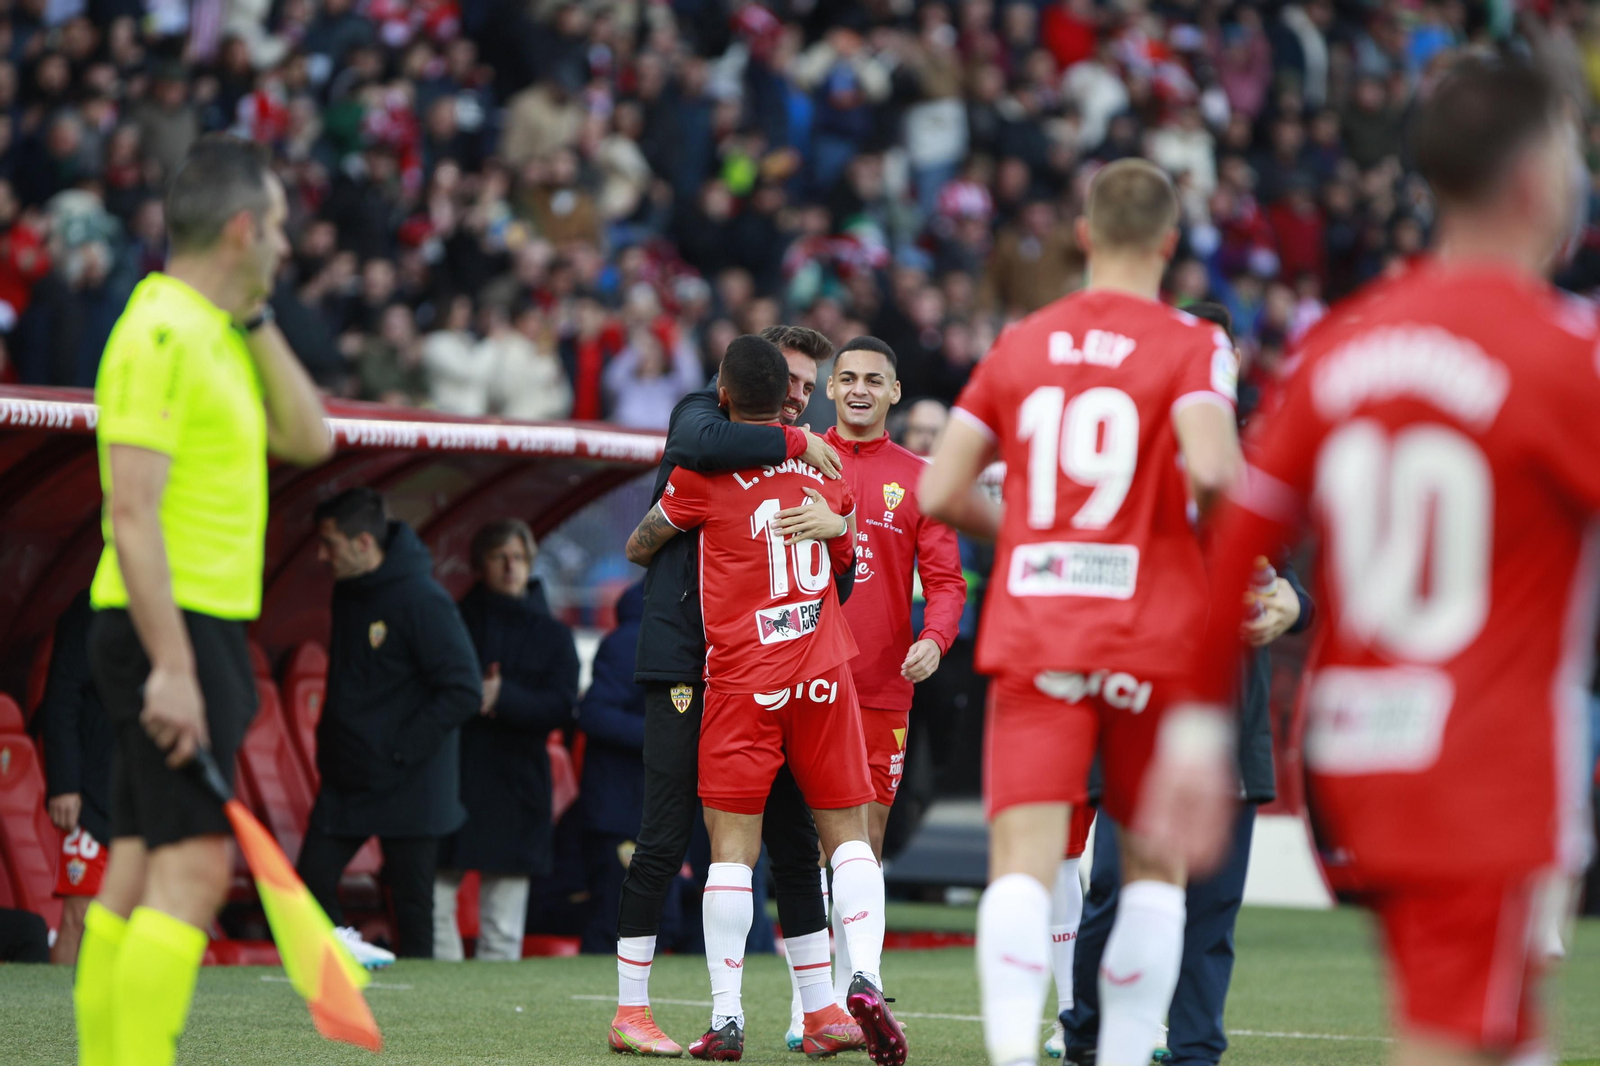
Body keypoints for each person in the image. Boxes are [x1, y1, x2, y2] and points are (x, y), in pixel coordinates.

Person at [1144, 59, 1598, 1066]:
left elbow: (1240, 539)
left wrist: (1186, 726)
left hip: (1355, 749)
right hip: (1481, 755)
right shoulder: (1562, 353)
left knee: (1494, 1027)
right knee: (1450, 1037)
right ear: (1534, 181)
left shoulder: (1339, 344)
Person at [918, 158, 1244, 1066]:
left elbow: (943, 487)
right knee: (1153, 869)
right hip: (1150, 628)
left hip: (1040, 621)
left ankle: (1017, 1057)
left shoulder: (1023, 340)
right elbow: (1218, 472)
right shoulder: (1191, 343)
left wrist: (1021, 529)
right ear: (1170, 245)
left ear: (1085, 235)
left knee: (1022, 859)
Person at [75, 135, 332, 1066]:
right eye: (277, 227)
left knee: (139, 865)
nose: (287, 246)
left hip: (189, 626)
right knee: (192, 870)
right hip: (169, 630)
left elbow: (309, 435)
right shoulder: (157, 331)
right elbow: (130, 514)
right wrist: (176, 668)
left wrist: (260, 319)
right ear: (240, 228)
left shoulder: (217, 329)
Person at [625, 334, 906, 1066]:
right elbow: (844, 571)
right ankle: (860, 981)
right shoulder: (825, 468)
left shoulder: (700, 476)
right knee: (843, 838)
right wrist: (838, 525)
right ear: (787, 391)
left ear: (723, 393)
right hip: (822, 677)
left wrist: (670, 536)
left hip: (742, 682)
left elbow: (640, 541)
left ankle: (727, 1018)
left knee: (730, 853)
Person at [1053, 303, 1316, 1066]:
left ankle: (1196, 1052)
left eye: (1222, 356)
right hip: (1135, 706)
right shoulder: (1117, 461)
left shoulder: (1259, 473)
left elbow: (1296, 581)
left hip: (1229, 721)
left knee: (1210, 909)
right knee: (1113, 892)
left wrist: (1296, 604)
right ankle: (1090, 1042)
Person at [782, 335, 965, 1036]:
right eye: (847, 377)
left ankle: (854, 989)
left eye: (873, 380)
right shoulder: (796, 460)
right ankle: (818, 1001)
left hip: (882, 685)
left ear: (893, 393)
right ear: (830, 389)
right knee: (802, 846)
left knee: (864, 842)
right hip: (799, 681)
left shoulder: (922, 478)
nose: (858, 389)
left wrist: (933, 638)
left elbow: (947, 583)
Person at [297, 487, 482, 964]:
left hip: (410, 779)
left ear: (363, 543)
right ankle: (345, 961)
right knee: (309, 880)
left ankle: (414, 1012)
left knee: (411, 906)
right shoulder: (349, 592)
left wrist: (400, 749)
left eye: (330, 543)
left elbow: (463, 689)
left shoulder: (423, 599)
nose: (321, 555)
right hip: (349, 776)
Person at [435, 519, 580, 961]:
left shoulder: (552, 634)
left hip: (517, 780)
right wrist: (470, 693)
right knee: (436, 897)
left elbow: (561, 706)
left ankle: (491, 1004)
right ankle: (440, 993)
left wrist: (504, 696)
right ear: (481, 564)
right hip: (457, 772)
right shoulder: (455, 621)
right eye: (499, 557)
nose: (509, 566)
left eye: (517, 557)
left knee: (503, 918)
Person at [577, 580, 677, 955]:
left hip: (656, 808)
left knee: (657, 920)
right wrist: (669, 738)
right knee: (614, 920)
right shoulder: (628, 641)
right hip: (623, 811)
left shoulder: (678, 629)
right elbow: (594, 714)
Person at [36, 589, 114, 965]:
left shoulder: (170, 604)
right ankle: (55, 1022)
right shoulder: (93, 606)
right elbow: (61, 696)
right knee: (78, 917)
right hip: (91, 795)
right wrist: (65, 783)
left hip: (142, 793)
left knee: (131, 919)